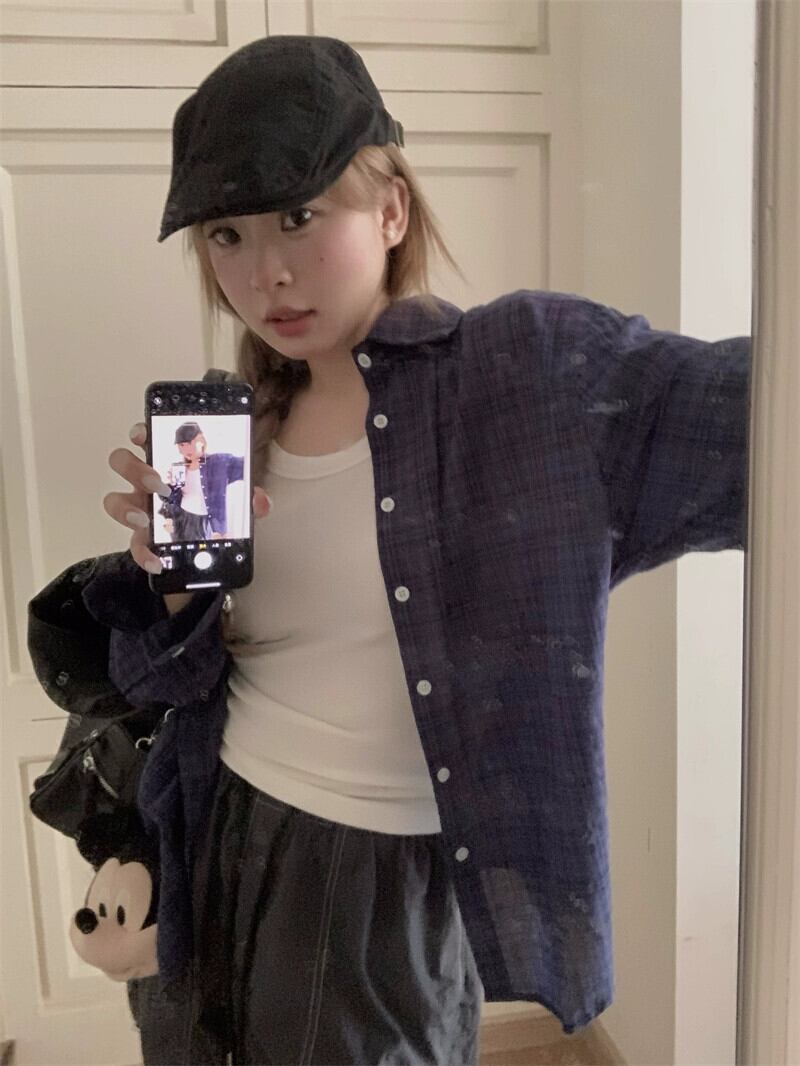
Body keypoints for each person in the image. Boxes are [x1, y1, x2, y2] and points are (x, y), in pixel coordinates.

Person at [41, 32, 749, 1066]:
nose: (265, 272)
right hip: (215, 827)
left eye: (298, 216)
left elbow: (748, 424)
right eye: (227, 234)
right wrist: (172, 588)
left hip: (382, 880)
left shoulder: (525, 378)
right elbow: (168, 682)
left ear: (391, 210)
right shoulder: (233, 427)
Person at [156, 422, 245, 543]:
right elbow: (173, 500)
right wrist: (168, 490)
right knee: (184, 552)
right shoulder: (179, 468)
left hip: (211, 524)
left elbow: (248, 465)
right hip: (183, 520)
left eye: (190, 443)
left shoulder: (220, 462)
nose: (187, 449)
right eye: (182, 444)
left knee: (214, 551)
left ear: (201, 440)